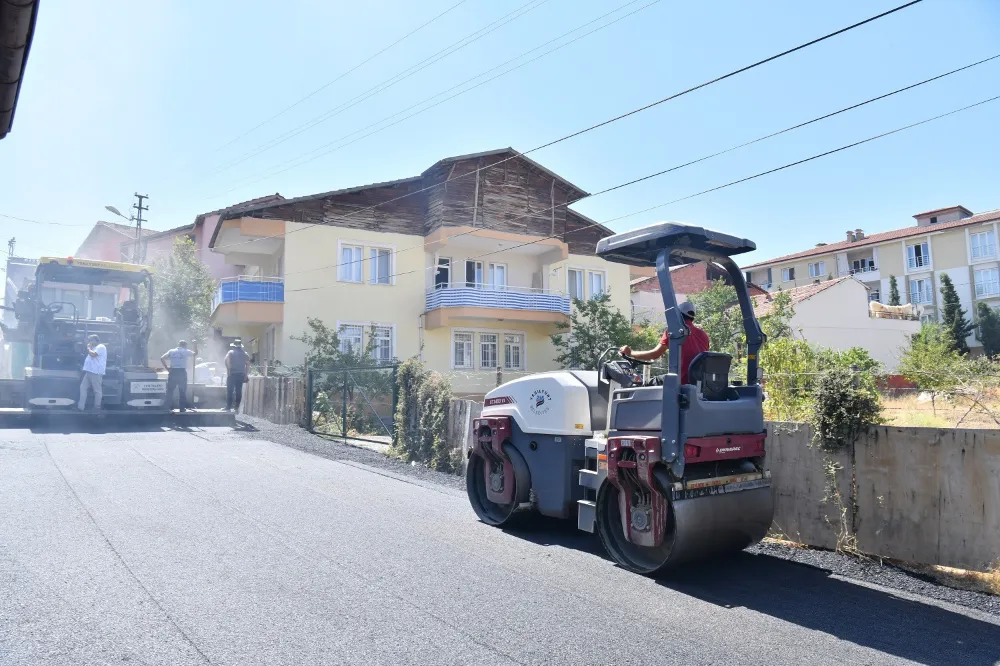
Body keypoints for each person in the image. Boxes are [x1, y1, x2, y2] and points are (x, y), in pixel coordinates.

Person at [618, 301, 710, 385]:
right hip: (698, 383)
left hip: (679, 381)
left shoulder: (675, 331)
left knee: (647, 385)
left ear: (677, 315)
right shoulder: (703, 335)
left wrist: (630, 353)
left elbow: (654, 355)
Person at [161, 340, 196, 412]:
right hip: (181, 372)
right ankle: (182, 408)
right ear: (185, 345)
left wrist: (167, 368)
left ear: (179, 345)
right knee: (182, 391)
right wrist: (195, 345)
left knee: (170, 390)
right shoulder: (186, 351)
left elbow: (162, 358)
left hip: (173, 371)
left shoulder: (171, 351)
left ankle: (167, 407)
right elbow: (195, 353)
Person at [78, 334, 107, 411]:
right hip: (89, 372)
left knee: (97, 391)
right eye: (89, 340)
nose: (90, 342)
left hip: (96, 372)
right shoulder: (94, 347)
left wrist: (88, 348)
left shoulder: (101, 347)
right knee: (83, 387)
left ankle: (97, 407)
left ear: (96, 340)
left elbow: (93, 354)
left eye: (91, 340)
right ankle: (81, 407)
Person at [224, 339, 251, 413]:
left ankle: (228, 406)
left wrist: (228, 371)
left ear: (234, 346)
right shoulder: (245, 354)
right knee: (238, 391)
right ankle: (236, 407)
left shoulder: (230, 352)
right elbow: (248, 365)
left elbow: (227, 361)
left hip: (232, 374)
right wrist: (246, 375)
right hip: (240, 374)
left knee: (230, 390)